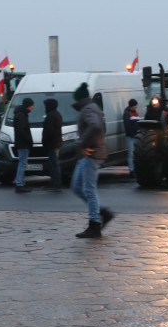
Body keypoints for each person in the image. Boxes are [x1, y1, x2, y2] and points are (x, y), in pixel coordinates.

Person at [71, 83, 114, 238]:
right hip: (88, 154)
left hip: (91, 154)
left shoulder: (88, 109)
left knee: (88, 189)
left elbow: (95, 127)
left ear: (79, 99)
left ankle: (94, 224)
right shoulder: (90, 107)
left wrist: (84, 143)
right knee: (77, 186)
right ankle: (103, 211)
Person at [12, 97, 35, 193]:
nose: (33, 107)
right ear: (27, 105)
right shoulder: (22, 116)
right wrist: (29, 140)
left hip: (20, 143)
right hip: (23, 143)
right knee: (22, 163)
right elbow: (22, 130)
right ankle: (19, 183)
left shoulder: (19, 114)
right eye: (32, 105)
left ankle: (21, 182)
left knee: (22, 163)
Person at [42, 97, 63, 192]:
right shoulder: (57, 114)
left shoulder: (50, 116)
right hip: (56, 143)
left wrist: (44, 141)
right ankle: (54, 182)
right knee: (54, 164)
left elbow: (49, 131)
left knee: (54, 164)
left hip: (51, 143)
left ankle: (55, 183)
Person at [123, 98, 140, 177]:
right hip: (131, 136)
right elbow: (128, 126)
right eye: (135, 106)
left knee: (132, 153)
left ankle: (133, 169)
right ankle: (132, 169)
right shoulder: (128, 113)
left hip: (134, 135)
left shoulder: (133, 113)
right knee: (131, 153)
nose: (136, 107)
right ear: (132, 106)